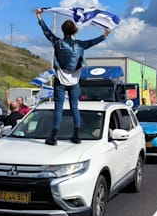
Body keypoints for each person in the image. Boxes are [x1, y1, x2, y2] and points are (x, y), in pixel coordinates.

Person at [36, 8, 111, 145]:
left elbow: (47, 32)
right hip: (74, 81)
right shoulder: (80, 45)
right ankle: (77, 135)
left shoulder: (58, 43)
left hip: (60, 79)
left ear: (62, 30)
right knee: (74, 107)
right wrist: (105, 35)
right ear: (75, 31)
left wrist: (40, 17)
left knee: (58, 108)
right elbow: (93, 42)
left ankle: (53, 137)